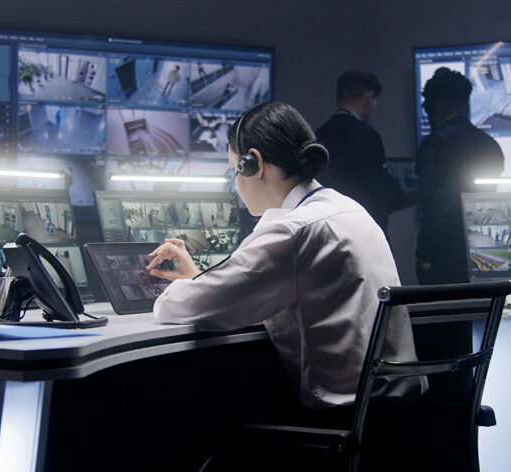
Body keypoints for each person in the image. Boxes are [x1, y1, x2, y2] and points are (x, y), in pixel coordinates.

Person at [147, 101, 425, 411]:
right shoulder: (350, 210)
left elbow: (178, 307)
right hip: (393, 412)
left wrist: (190, 284)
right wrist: (198, 278)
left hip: (342, 418)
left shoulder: (292, 232)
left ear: (253, 165)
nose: (235, 183)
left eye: (233, 168)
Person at [416, 67, 504, 284]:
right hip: (489, 252)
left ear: (436, 107)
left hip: (446, 258)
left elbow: (439, 205)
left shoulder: (437, 144)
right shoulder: (490, 145)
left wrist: (425, 255)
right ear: (466, 105)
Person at [315, 70, 408, 237]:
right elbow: (379, 189)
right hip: (365, 234)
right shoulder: (367, 136)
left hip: (328, 234)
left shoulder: (318, 136)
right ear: (368, 97)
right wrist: (403, 195)